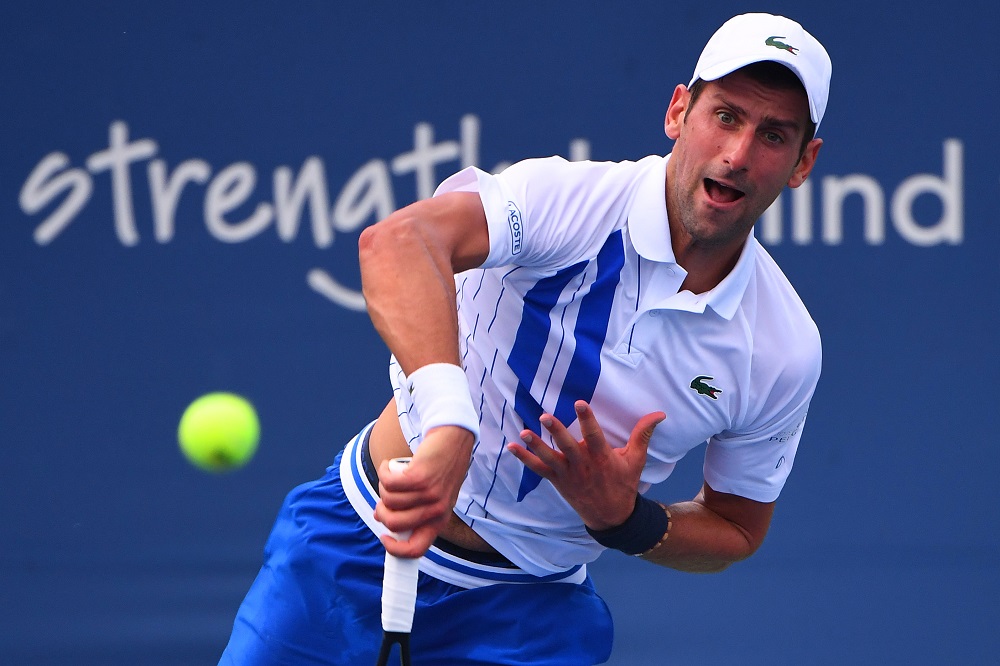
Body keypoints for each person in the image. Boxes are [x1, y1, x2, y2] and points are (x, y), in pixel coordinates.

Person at [220, 12, 832, 665]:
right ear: (679, 112)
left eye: (773, 135)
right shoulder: (566, 199)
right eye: (726, 116)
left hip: (529, 620)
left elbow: (736, 529)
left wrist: (628, 520)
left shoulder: (783, 349)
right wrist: (451, 421)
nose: (737, 155)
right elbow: (399, 242)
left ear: (802, 164)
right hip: (350, 548)